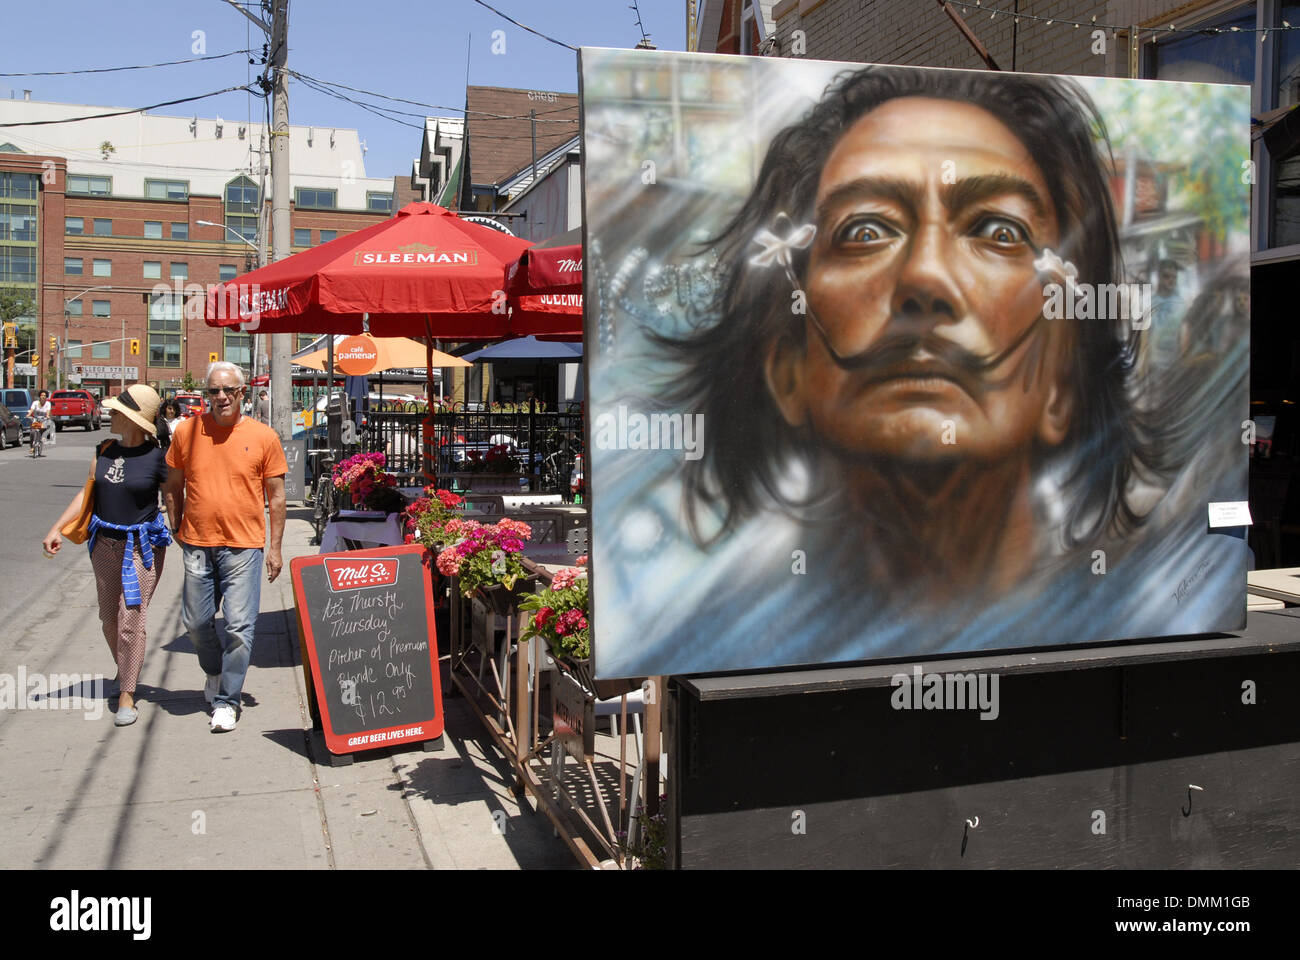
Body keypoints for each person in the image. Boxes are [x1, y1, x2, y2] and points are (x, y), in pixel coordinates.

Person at [602, 64, 1247, 671]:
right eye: (865, 230)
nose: (927, 277)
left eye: (999, 230)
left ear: (1063, 382)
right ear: (788, 369)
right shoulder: (689, 626)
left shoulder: (1162, 601)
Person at [163, 362, 287, 733]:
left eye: (228, 391)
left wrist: (275, 549)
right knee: (197, 624)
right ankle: (214, 672)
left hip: (243, 546)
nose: (220, 397)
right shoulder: (187, 432)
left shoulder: (264, 437)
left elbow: (277, 498)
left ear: (242, 394)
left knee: (238, 626)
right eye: (213, 391)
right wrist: (176, 525)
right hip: (197, 544)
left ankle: (228, 700)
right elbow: (172, 484)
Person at [42, 384, 171, 727]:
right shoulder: (103, 450)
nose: (108, 415)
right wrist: (57, 528)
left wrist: (187, 533)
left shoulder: (158, 459)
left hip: (143, 548)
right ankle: (125, 668)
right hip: (103, 544)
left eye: (115, 412)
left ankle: (127, 693)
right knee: (107, 617)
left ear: (131, 419)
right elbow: (86, 497)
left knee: (131, 619)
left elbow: (175, 498)